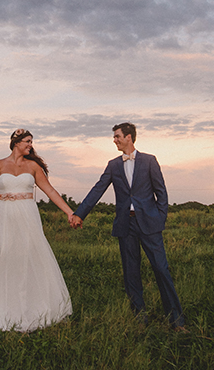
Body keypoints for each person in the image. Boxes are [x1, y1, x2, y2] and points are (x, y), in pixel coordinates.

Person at [69, 123, 186, 330]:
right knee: (131, 272)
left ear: (129, 137)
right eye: (114, 137)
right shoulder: (113, 165)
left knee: (161, 268)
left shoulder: (150, 161)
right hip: (126, 225)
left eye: (117, 136)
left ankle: (176, 320)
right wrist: (79, 213)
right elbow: (98, 189)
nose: (114, 140)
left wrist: (160, 218)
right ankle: (140, 318)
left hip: (150, 223)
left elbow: (162, 193)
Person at [0, 128, 75, 332]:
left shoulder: (33, 167)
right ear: (16, 143)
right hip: (4, 216)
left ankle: (38, 305)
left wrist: (69, 212)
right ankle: (7, 308)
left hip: (28, 215)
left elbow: (50, 190)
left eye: (31, 142)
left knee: (31, 255)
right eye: (27, 141)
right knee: (6, 258)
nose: (30, 145)